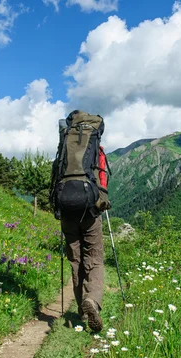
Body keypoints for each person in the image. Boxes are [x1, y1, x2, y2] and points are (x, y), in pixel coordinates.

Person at [49, 110, 110, 333]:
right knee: (93, 257)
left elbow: (55, 177)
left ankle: (82, 313)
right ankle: (92, 299)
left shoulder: (64, 144)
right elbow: (102, 181)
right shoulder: (97, 149)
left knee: (75, 259)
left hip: (66, 207)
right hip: (89, 208)